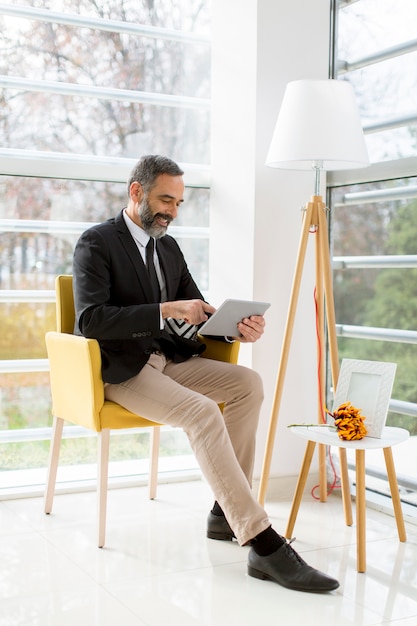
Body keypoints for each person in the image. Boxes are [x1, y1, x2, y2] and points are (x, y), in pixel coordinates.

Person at [73, 154, 339, 593]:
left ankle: (223, 511)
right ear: (136, 191)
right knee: (201, 413)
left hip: (169, 360)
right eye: (164, 200)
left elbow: (196, 309)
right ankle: (262, 541)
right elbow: (91, 321)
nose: (172, 212)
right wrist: (163, 311)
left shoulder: (168, 247)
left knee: (247, 385)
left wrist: (236, 329)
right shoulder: (96, 242)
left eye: (178, 203)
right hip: (123, 369)